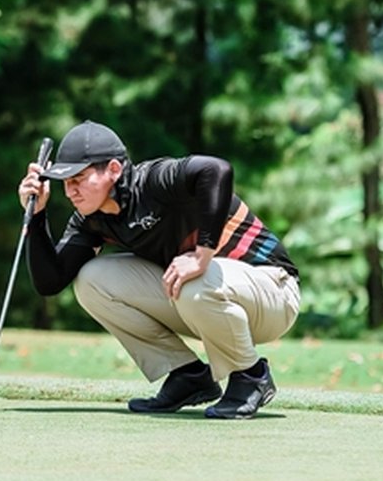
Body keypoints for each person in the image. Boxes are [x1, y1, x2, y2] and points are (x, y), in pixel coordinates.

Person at [19, 121, 300, 419]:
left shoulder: (154, 180)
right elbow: (50, 281)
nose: (70, 191)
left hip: (273, 291)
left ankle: (251, 375)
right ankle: (187, 376)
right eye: (65, 182)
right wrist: (36, 216)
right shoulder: (92, 219)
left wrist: (202, 254)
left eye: (79, 178)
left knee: (195, 281)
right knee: (91, 281)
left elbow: (216, 169)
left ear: (114, 169)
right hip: (205, 300)